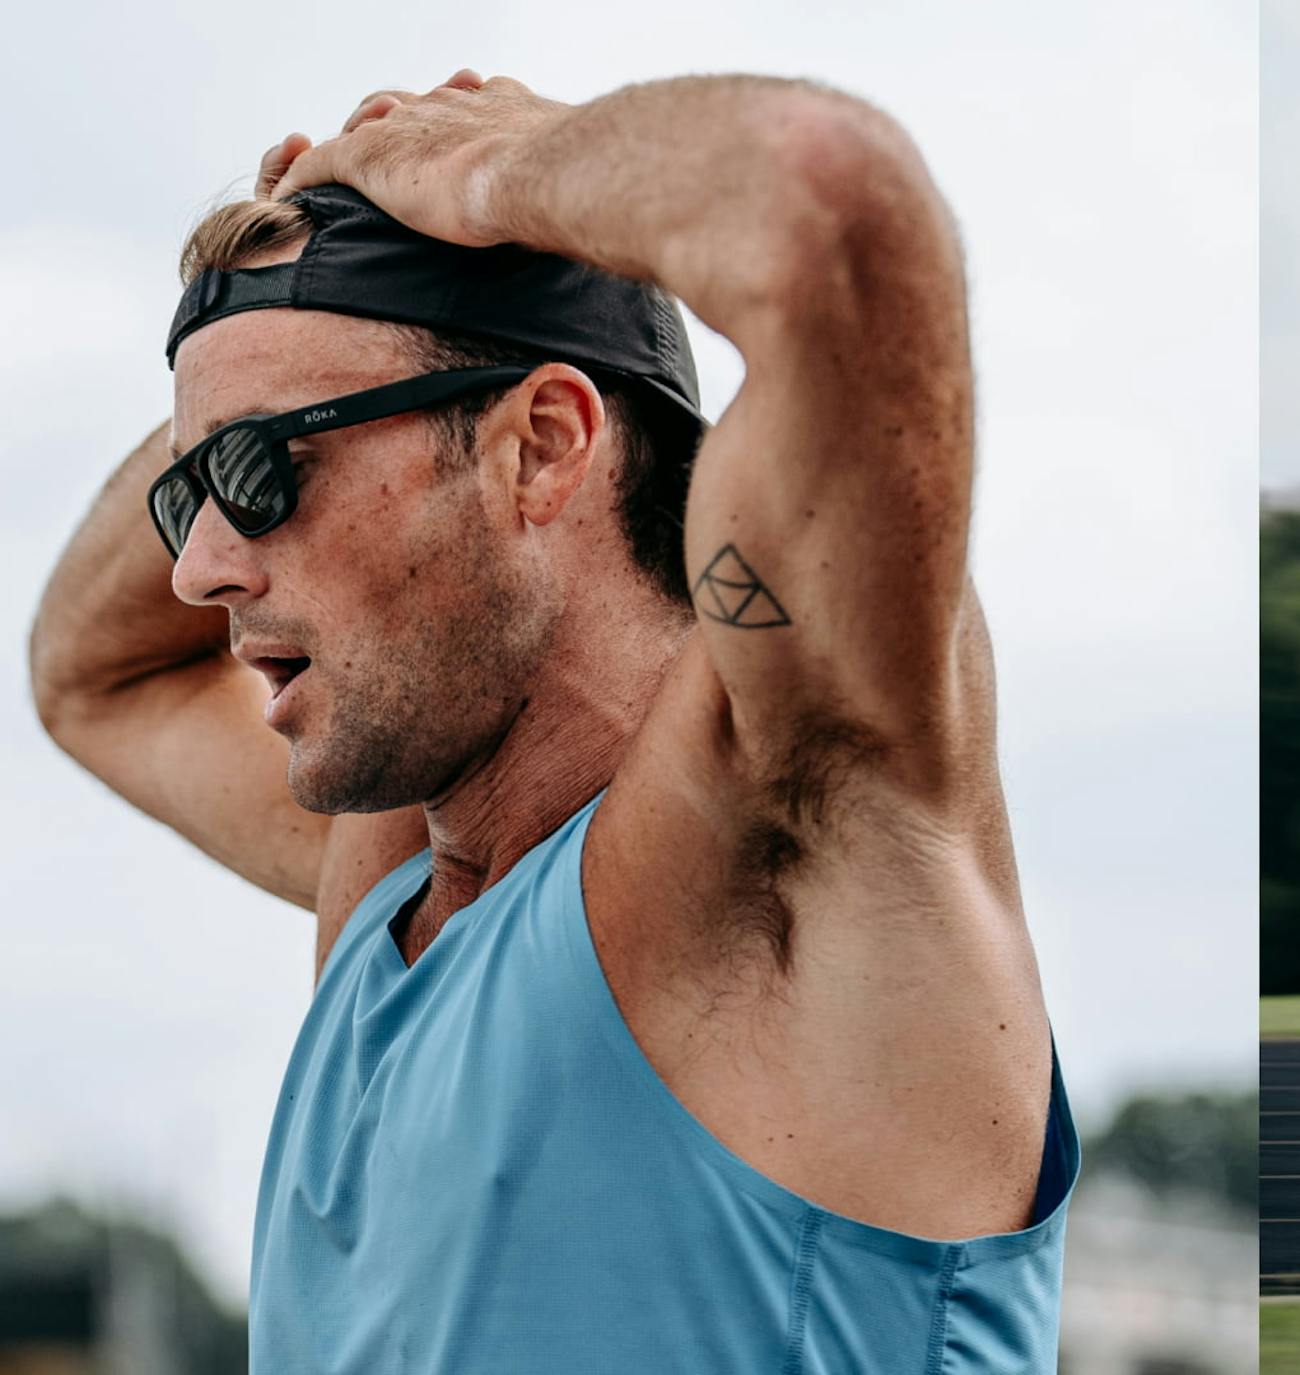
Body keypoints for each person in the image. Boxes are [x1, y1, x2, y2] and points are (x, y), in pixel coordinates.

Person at [27, 71, 1072, 1370]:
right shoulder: (391, 886)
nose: (200, 569)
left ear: (540, 447)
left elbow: (828, 218)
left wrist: (498, 174)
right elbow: (90, 671)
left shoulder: (791, 841)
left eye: (258, 472)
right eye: (190, 493)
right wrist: (278, 296)